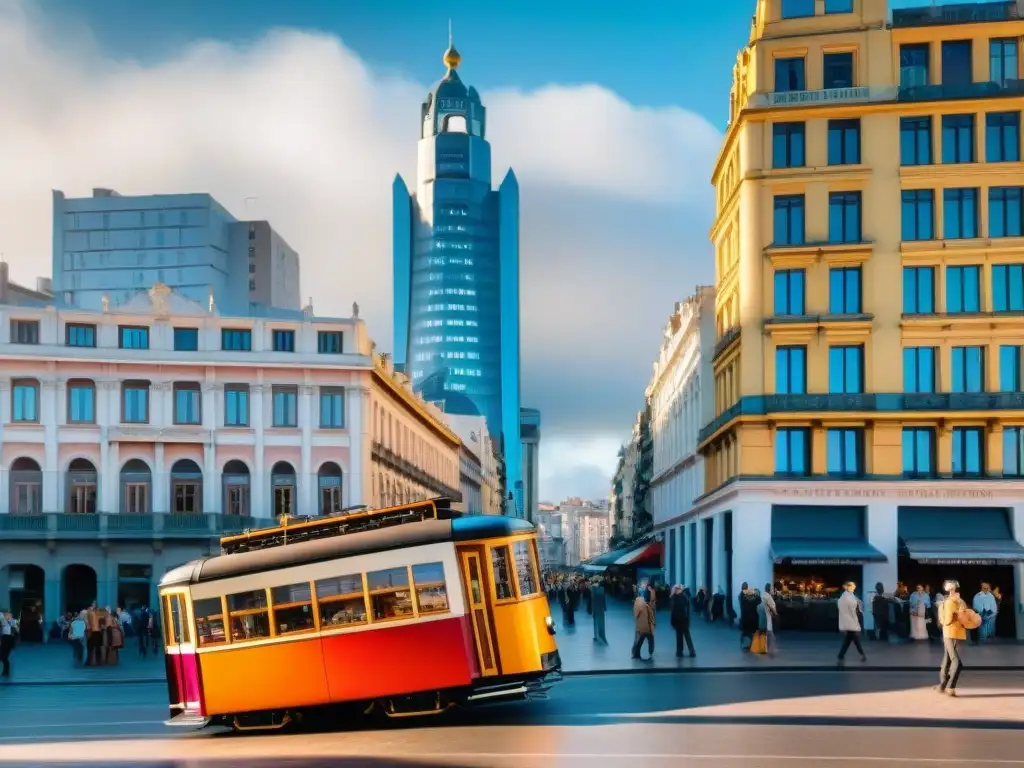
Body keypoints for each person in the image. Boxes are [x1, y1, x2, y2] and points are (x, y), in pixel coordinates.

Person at [937, 579, 967, 697]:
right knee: (956, 661)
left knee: (947, 658)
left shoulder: (950, 602)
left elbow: (944, 619)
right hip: (952, 633)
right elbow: (950, 619)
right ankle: (950, 686)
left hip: (950, 633)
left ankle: (943, 685)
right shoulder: (952, 602)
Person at [837, 581, 867, 664]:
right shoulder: (847, 597)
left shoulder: (848, 596)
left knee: (849, 641)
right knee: (854, 641)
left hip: (850, 622)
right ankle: (862, 655)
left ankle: (841, 655)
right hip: (850, 622)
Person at [670, 585, 695, 658]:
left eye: (677, 589)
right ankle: (682, 651)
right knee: (682, 636)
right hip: (681, 620)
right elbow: (673, 610)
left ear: (681, 589)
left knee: (684, 636)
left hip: (682, 620)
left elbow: (675, 610)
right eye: (675, 589)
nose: (676, 590)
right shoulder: (681, 597)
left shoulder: (680, 597)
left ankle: (686, 651)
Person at [631, 592, 655, 660]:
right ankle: (651, 652)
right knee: (651, 640)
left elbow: (636, 616)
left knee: (638, 641)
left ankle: (635, 654)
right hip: (648, 628)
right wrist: (653, 625)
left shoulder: (636, 607)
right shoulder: (646, 606)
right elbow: (651, 617)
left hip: (639, 628)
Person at [761, 583, 779, 656]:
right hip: (768, 617)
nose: (773, 590)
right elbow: (773, 608)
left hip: (762, 617)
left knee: (765, 633)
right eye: (772, 589)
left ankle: (765, 648)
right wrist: (776, 614)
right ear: (769, 589)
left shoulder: (762, 595)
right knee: (770, 634)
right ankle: (770, 649)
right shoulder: (769, 597)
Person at [591, 578, 608, 645]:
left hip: (596, 608)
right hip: (600, 608)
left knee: (596, 622)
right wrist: (605, 607)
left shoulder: (594, 588)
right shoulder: (601, 589)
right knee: (600, 622)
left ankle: (597, 636)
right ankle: (599, 636)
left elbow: (593, 598)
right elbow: (603, 599)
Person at [0, 610, 13, 677]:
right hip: (6, 638)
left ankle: (6, 671)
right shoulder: (5, 619)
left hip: (6, 638)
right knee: (3, 656)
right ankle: (6, 671)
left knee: (3, 656)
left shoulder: (3, 618)